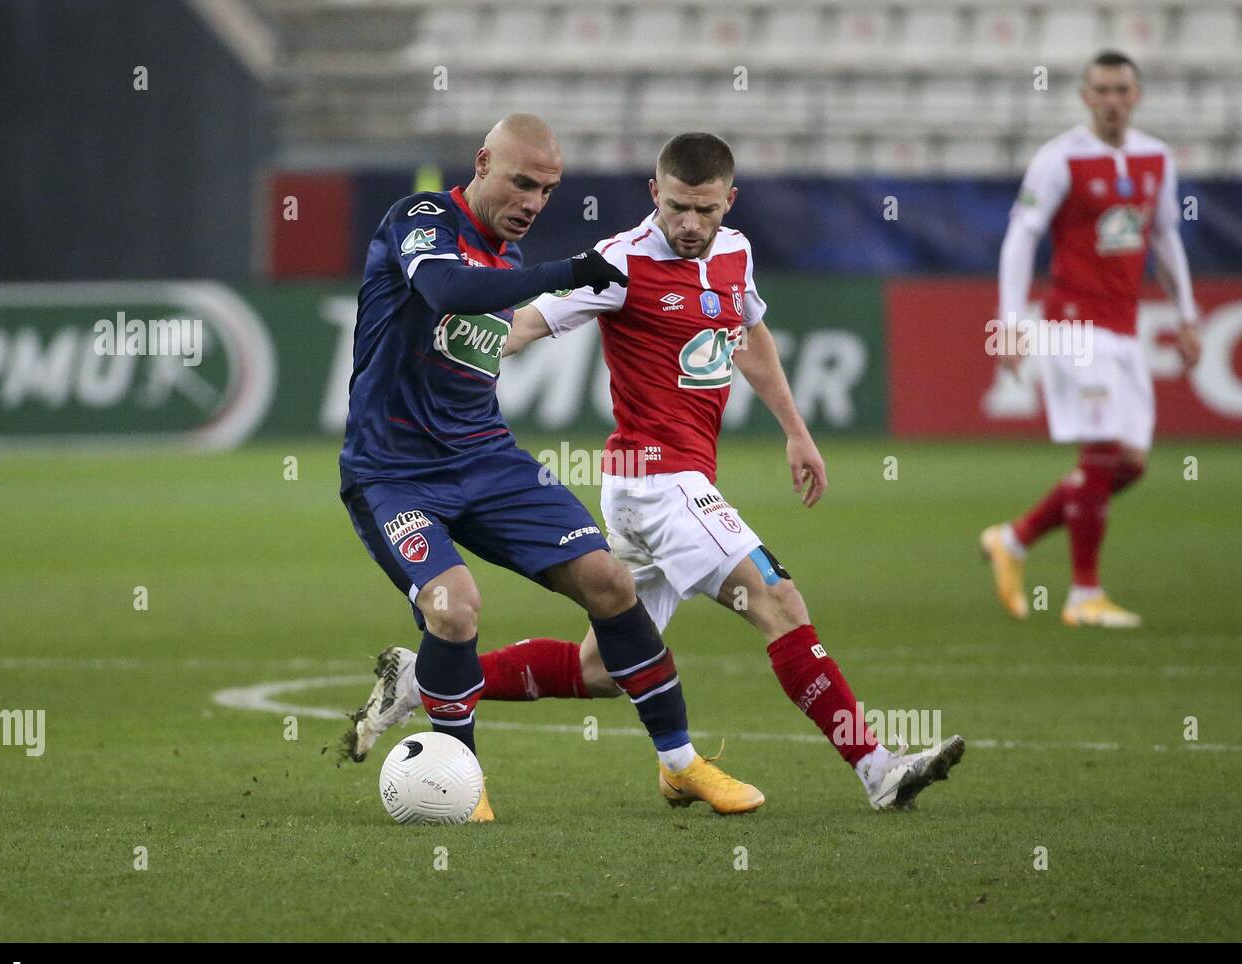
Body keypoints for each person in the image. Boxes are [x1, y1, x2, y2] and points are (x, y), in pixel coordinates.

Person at [358, 132, 964, 812]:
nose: (690, 225)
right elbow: (522, 323)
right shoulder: (619, 261)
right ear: (655, 194)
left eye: (706, 211)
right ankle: (877, 768)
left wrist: (796, 431)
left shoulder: (736, 254)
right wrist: (455, 352)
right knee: (778, 602)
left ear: (729, 203)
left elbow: (749, 331)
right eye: (678, 207)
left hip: (667, 485)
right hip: (657, 483)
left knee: (603, 668)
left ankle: (419, 681)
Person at [340, 114, 763, 821]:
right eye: (521, 182)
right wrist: (569, 272)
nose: (533, 202)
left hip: (487, 459)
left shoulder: (507, 262)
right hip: (392, 473)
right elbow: (445, 292)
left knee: (610, 582)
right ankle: (461, 781)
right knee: (454, 607)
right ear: (482, 164)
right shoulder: (420, 220)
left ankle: (682, 764)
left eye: (547, 189)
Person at [982, 51, 1200, 628]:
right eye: (1101, 89)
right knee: (1102, 452)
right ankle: (1084, 596)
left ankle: (1015, 537)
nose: (1112, 99)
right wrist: (1009, 321)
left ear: (1137, 95)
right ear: (1085, 96)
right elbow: (1021, 236)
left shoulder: (1157, 156)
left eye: (1122, 89)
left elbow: (1166, 237)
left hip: (1126, 329)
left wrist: (1188, 314)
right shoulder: (1061, 159)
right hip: (1072, 327)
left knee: (1129, 463)